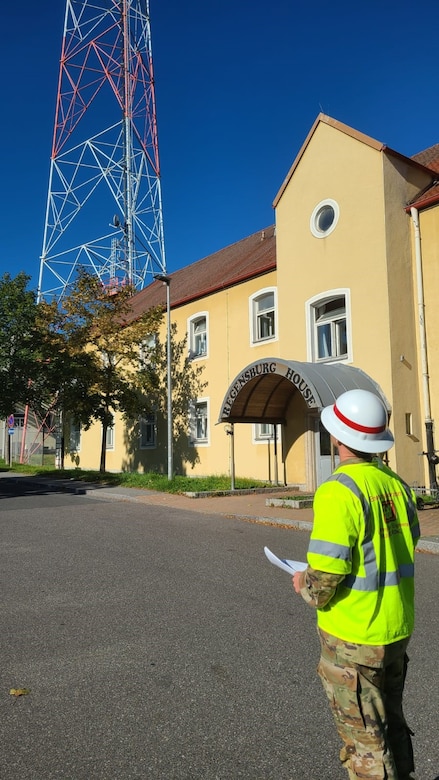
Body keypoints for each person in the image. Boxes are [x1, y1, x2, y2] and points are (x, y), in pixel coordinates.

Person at [293, 388, 420, 780]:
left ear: (336, 436)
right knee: (391, 722)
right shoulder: (396, 485)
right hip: (395, 630)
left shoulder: (338, 490)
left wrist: (303, 582)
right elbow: (407, 543)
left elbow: (323, 582)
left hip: (353, 637)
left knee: (365, 741)